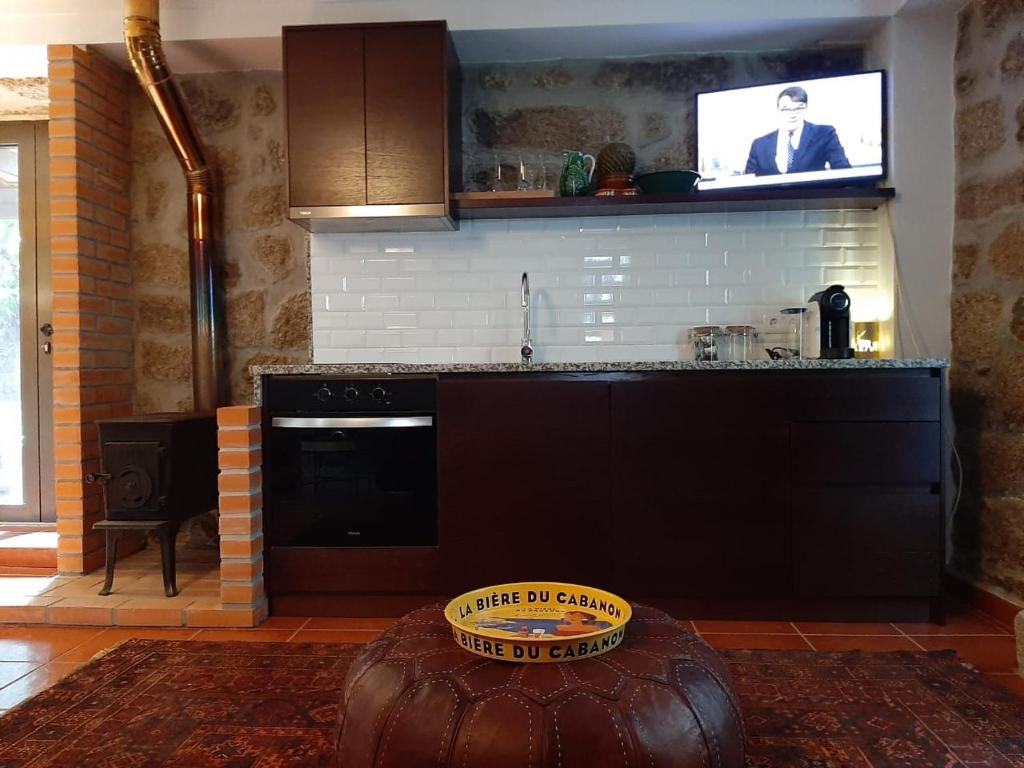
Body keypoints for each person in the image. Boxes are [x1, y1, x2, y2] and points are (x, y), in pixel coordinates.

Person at [744, 86, 851, 176]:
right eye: (786, 109)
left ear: (806, 108)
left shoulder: (824, 134)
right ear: (778, 110)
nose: (792, 114)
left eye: (799, 108)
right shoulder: (759, 145)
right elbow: (748, 183)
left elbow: (844, 172)